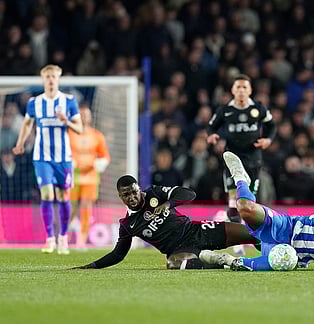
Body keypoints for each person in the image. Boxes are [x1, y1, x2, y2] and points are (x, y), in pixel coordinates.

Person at [201, 152, 314, 272]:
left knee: (280, 262)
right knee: (245, 209)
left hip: (292, 254)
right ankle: (241, 179)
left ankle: (225, 260)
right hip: (287, 227)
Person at [71, 175, 258, 270]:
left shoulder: (154, 193)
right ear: (120, 197)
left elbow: (189, 194)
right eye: (126, 195)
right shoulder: (127, 225)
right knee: (173, 264)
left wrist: (168, 203)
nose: (132, 197)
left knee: (251, 233)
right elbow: (118, 255)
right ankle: (228, 262)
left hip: (196, 230)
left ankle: (274, 250)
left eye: (134, 192)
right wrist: (90, 266)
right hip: (179, 250)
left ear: (139, 189)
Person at [12, 64, 83, 255]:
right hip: (42, 157)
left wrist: (65, 121)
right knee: (46, 195)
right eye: (47, 76)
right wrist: (20, 143)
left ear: (58, 78)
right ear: (43, 79)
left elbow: (80, 128)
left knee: (63, 197)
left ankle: (63, 238)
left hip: (63, 158)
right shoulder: (34, 102)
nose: (51, 79)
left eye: (54, 76)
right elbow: (27, 124)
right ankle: (50, 238)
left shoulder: (69, 101)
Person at [207, 74, 276, 254]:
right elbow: (212, 126)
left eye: (245, 87)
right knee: (233, 202)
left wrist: (268, 140)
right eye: (238, 87)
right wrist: (212, 135)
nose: (241, 91)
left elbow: (272, 126)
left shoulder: (258, 108)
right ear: (233, 90)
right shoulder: (225, 110)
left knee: (249, 203)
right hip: (232, 159)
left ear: (250, 90)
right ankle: (237, 243)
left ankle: (249, 234)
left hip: (253, 160)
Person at [69, 103, 110, 249]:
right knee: (70, 207)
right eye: (81, 115)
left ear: (90, 117)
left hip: (91, 176)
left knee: (86, 207)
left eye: (86, 114)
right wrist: (70, 162)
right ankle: (65, 237)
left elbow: (105, 156)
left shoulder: (97, 136)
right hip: (73, 176)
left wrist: (99, 164)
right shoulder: (69, 134)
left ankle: (82, 239)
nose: (84, 117)